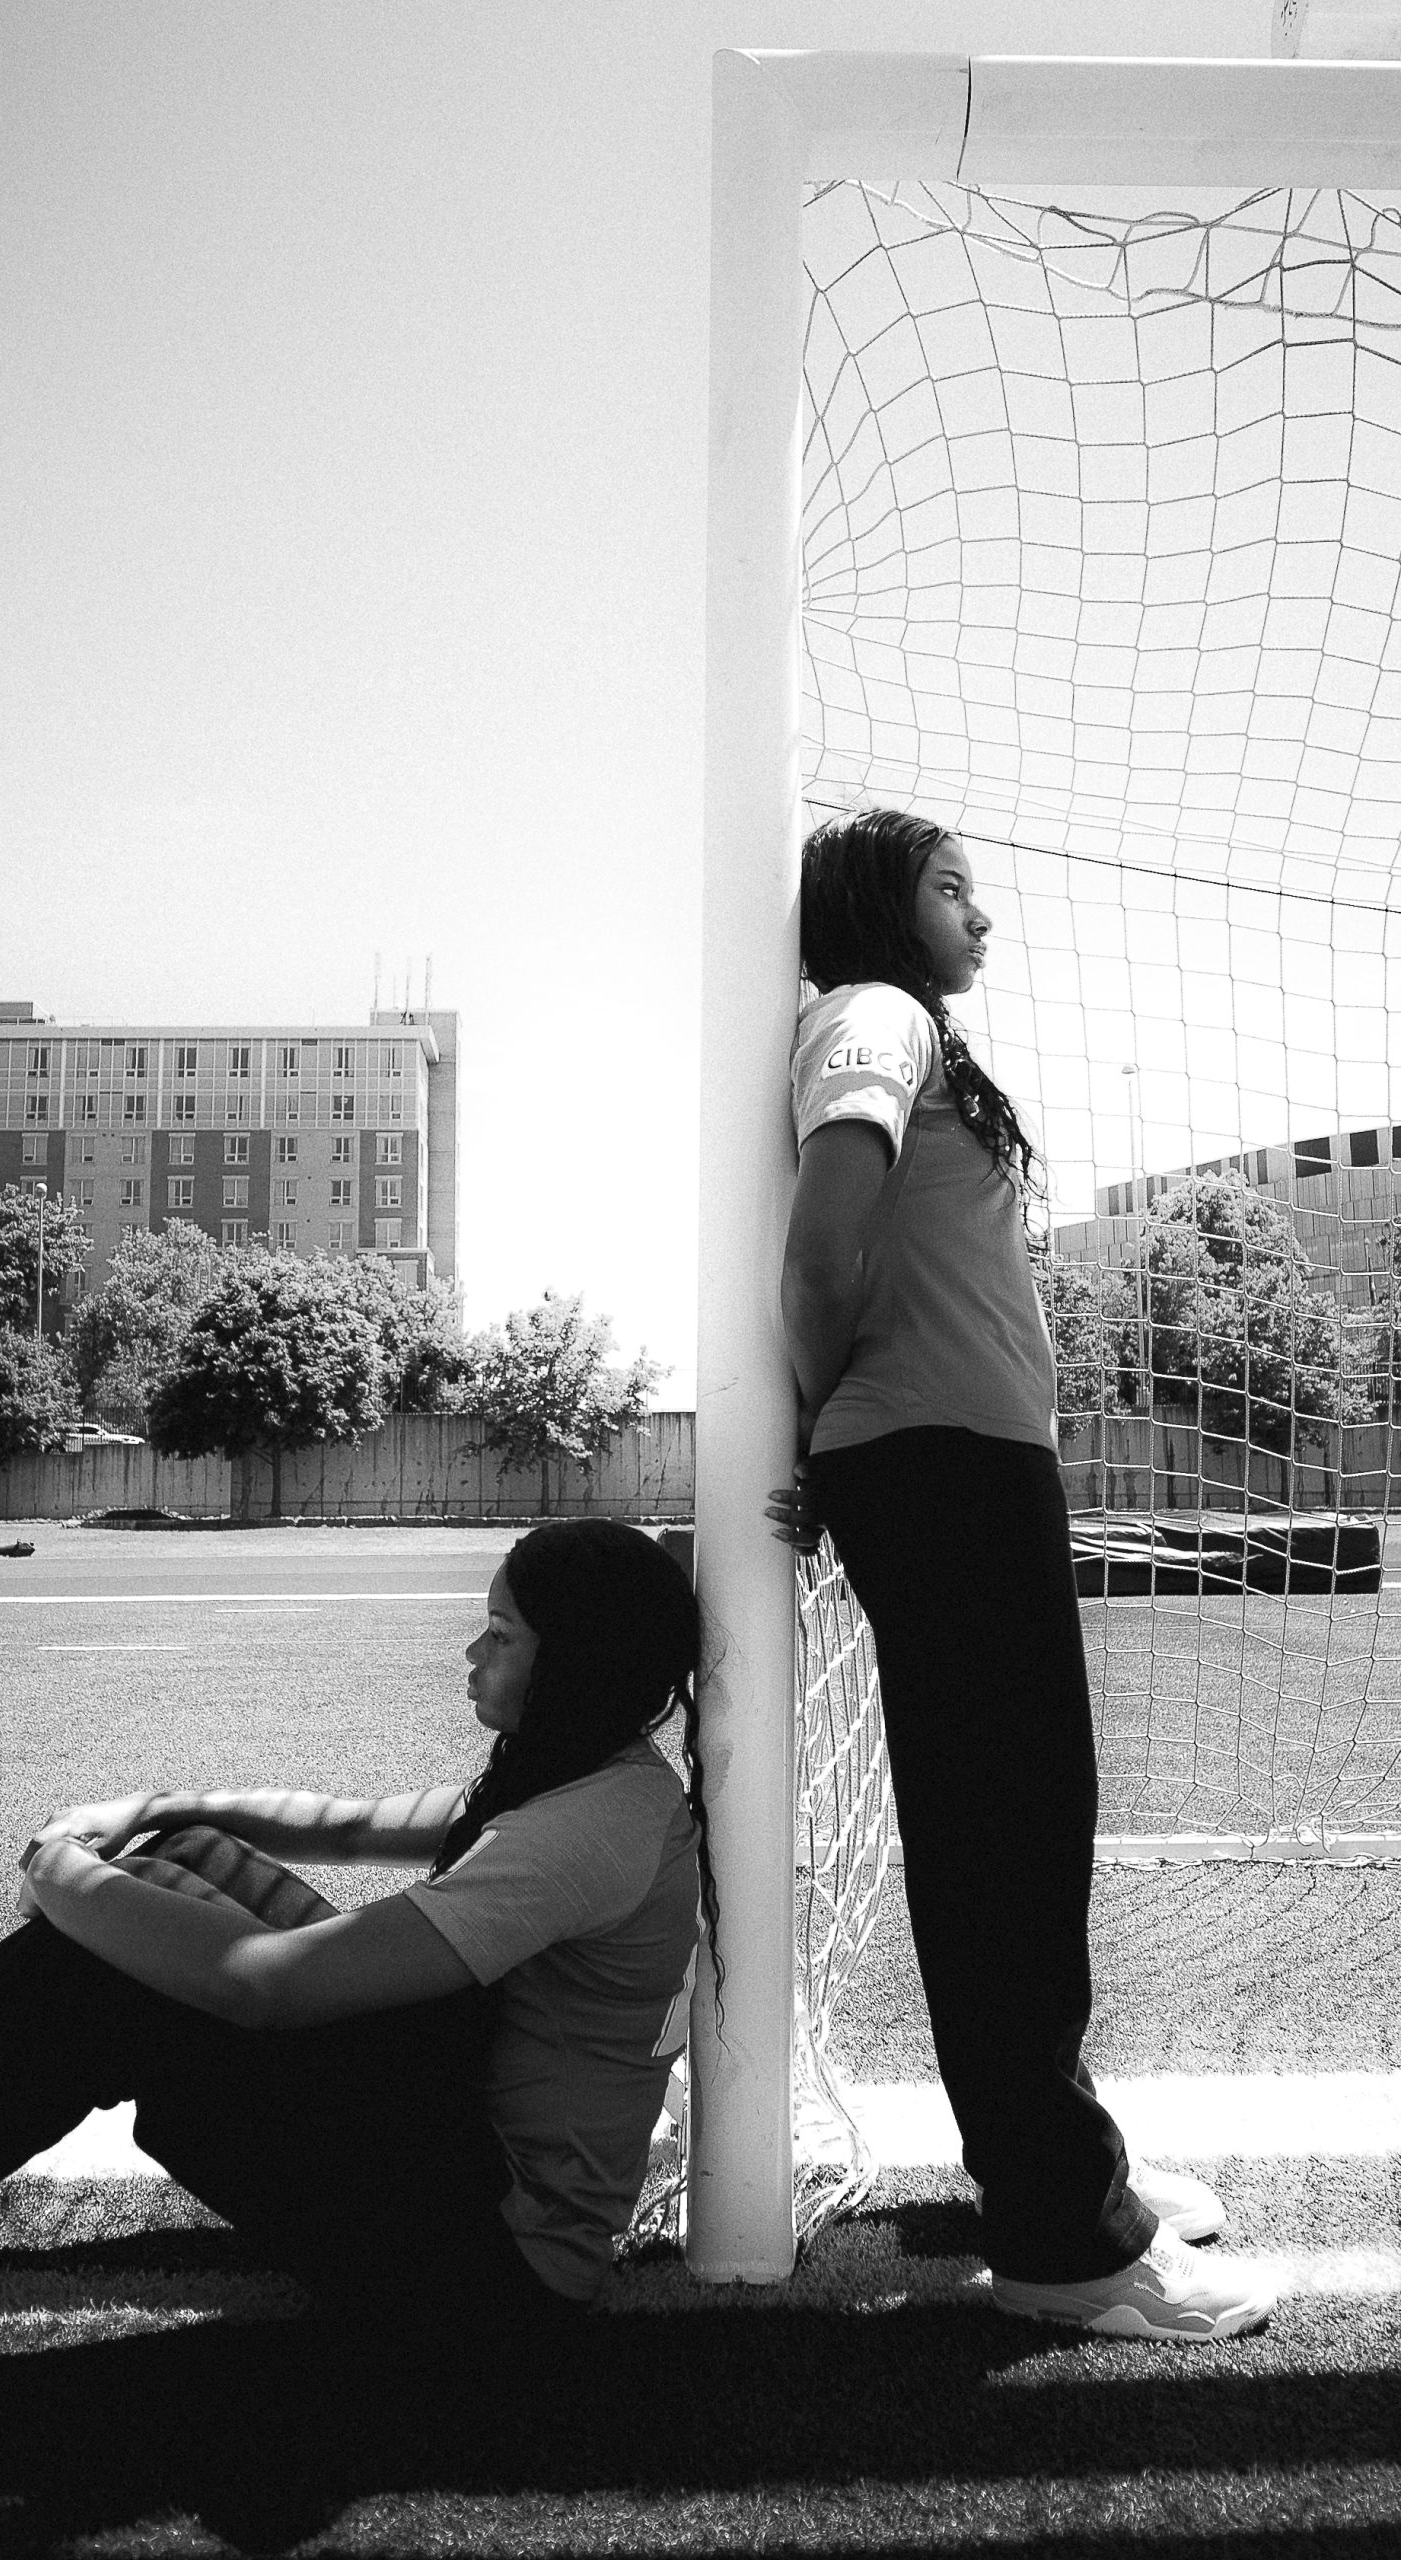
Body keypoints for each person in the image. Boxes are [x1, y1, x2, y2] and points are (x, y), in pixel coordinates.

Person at [0, 1519, 711, 2369]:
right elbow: (347, 1827)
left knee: (108, 1972)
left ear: (574, 1660)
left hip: (488, 2278)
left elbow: (264, 1987)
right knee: (184, 1858)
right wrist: (153, 1809)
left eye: (501, 1634)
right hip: (458, 2166)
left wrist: (58, 1872)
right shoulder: (592, 1774)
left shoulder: (586, 1830)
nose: (471, 1653)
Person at [767, 806, 1276, 2343]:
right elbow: (822, 1252)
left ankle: (1058, 2166)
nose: (978, 917)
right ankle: (1064, 2234)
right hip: (931, 1464)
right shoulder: (869, 1013)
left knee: (1020, 1839)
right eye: (950, 890)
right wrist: (827, 1425)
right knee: (1003, 1844)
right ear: (883, 907)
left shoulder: (912, 1031)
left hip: (960, 1465)